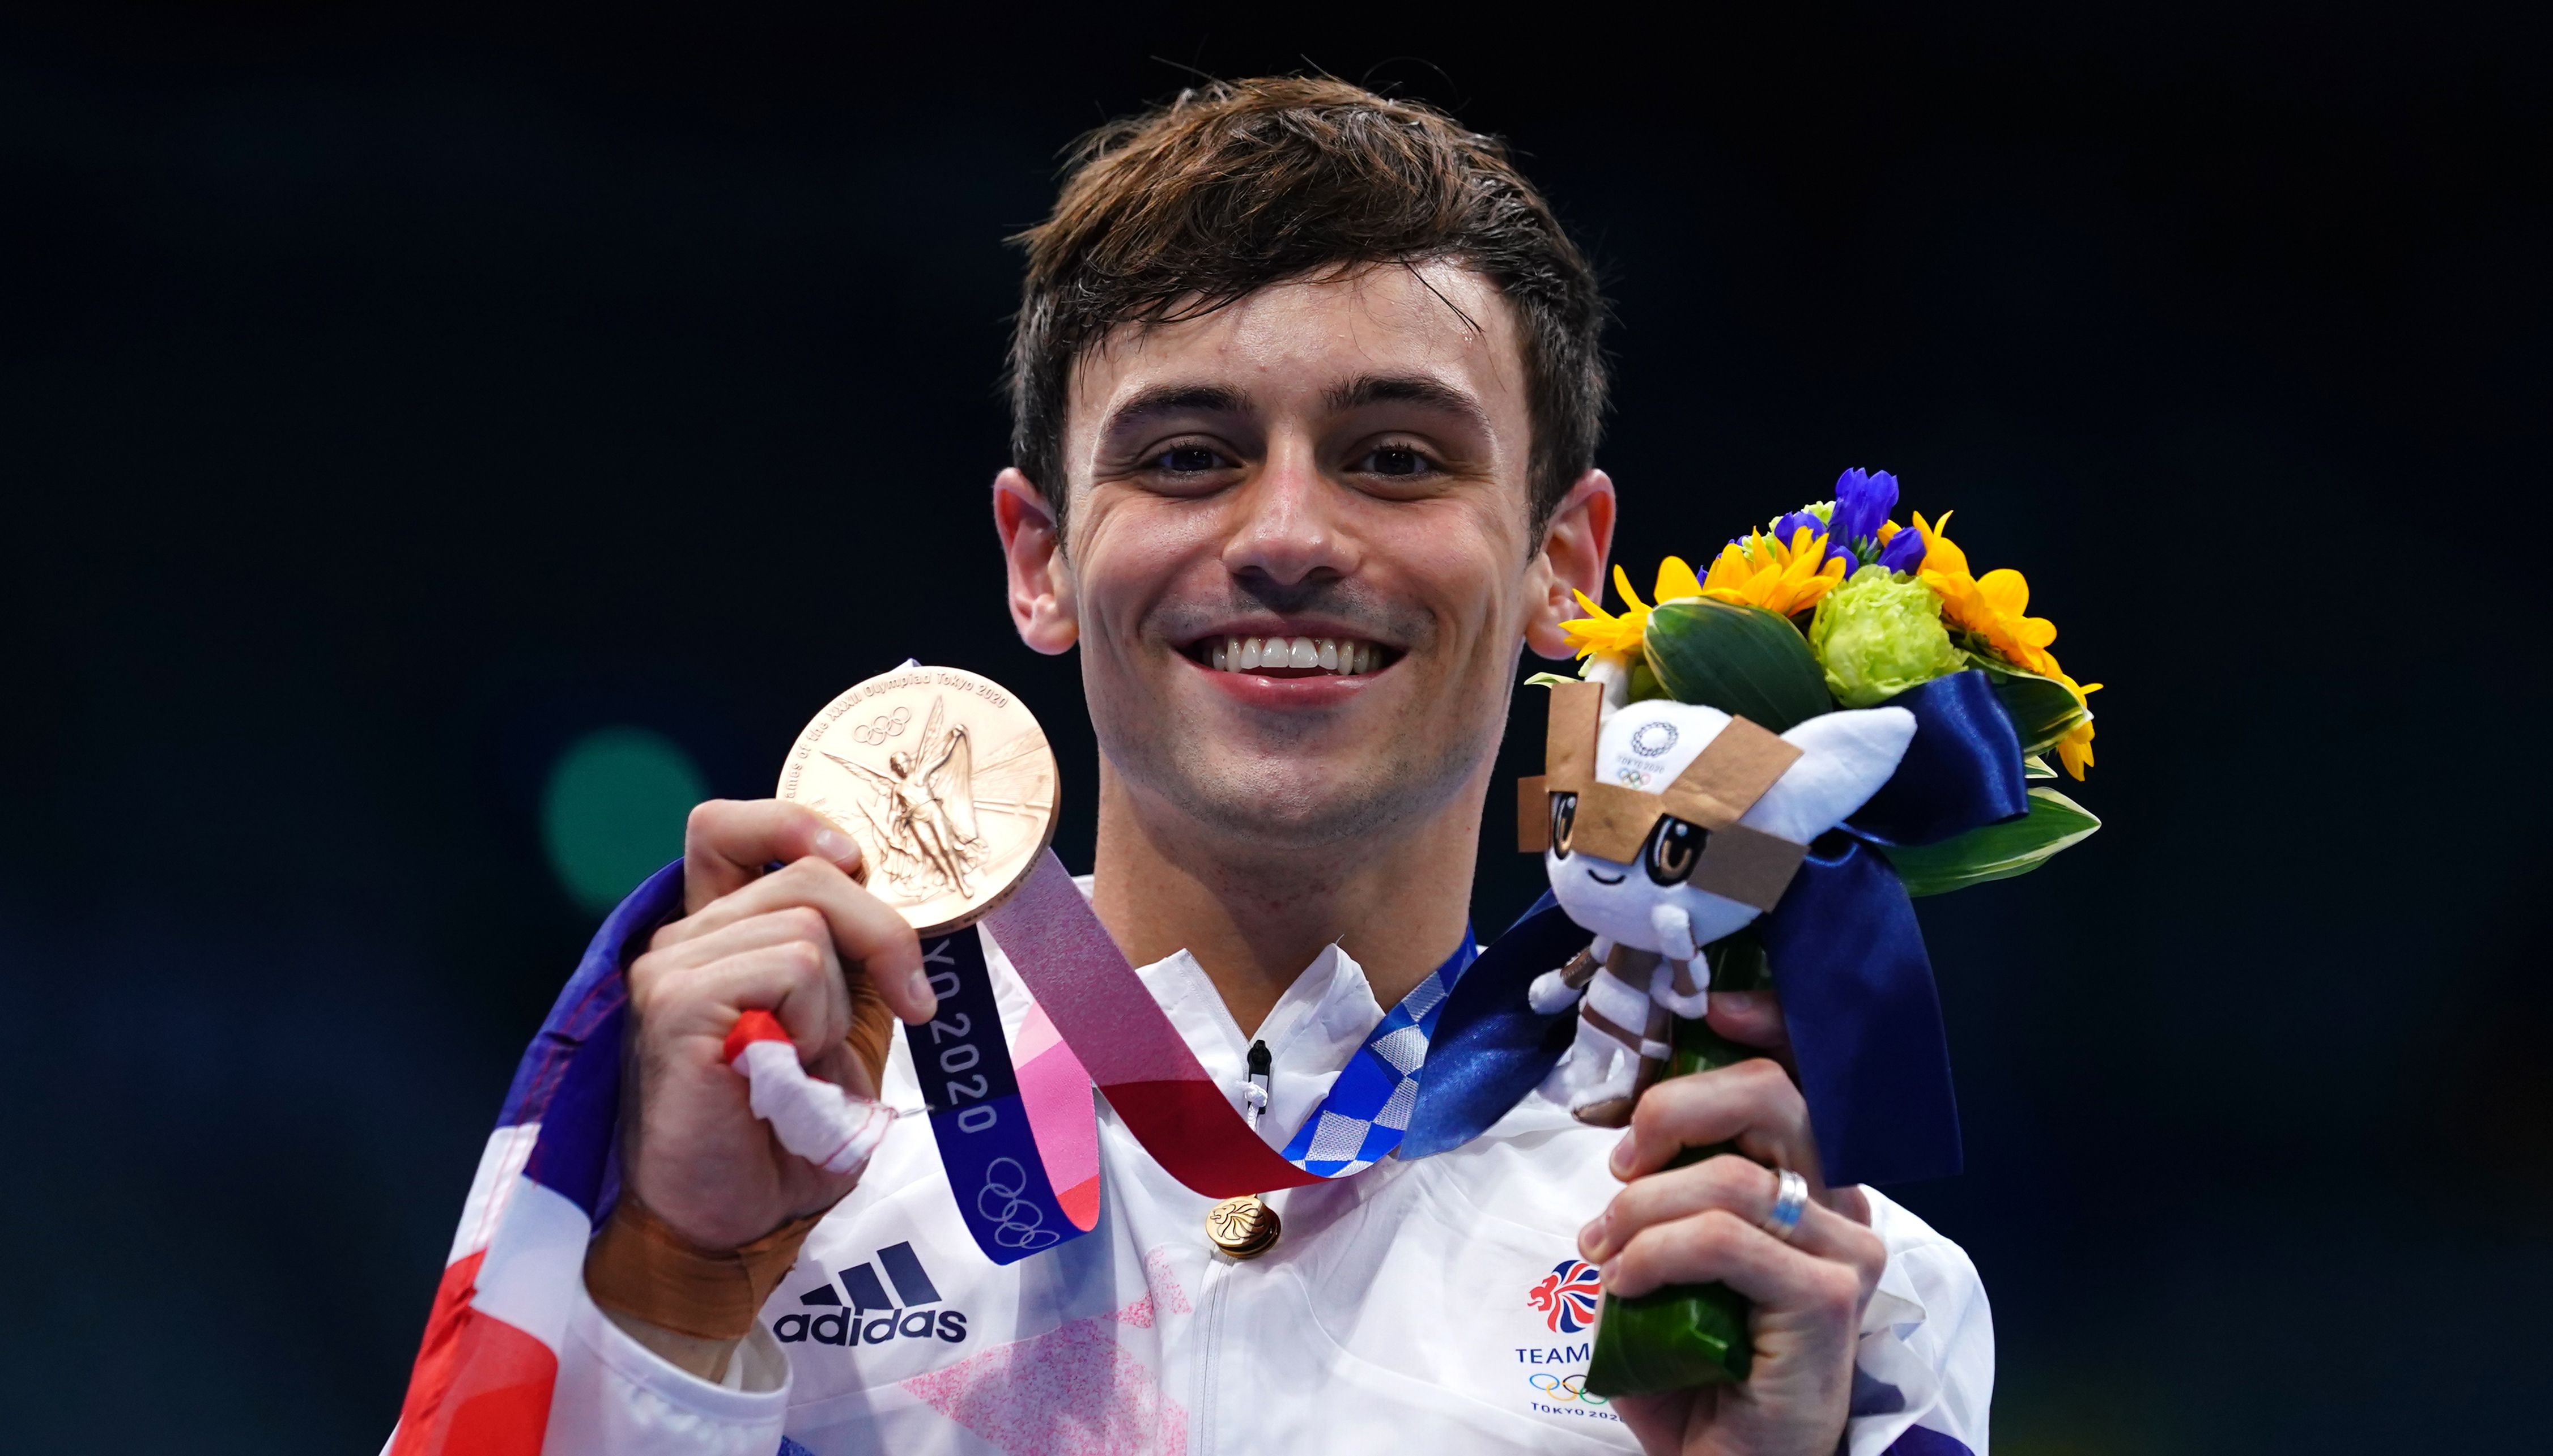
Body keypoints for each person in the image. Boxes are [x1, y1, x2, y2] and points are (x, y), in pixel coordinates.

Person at [503, 77, 1990, 1455]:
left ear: (1562, 560)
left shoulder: (1796, 1284)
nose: (1285, 536)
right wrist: (673, 1287)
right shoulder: (746, 1128)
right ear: (1040, 557)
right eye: (1186, 456)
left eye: (1395, 457)